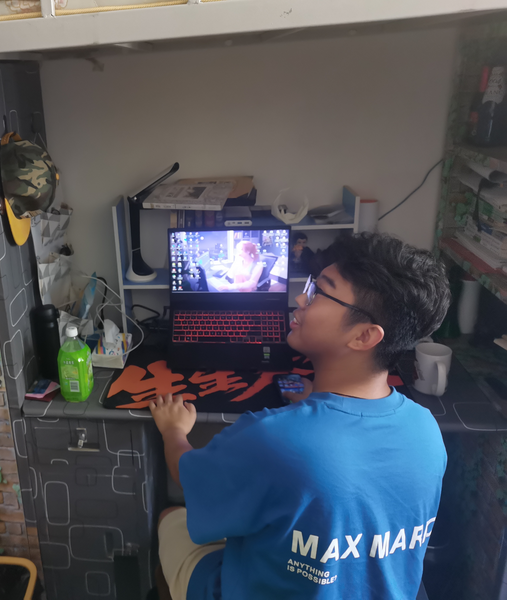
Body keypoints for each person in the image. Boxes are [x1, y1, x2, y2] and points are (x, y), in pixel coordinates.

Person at [150, 233, 450, 600]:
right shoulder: (427, 429)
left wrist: (174, 431)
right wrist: (318, 400)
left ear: (364, 336)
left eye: (319, 291)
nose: (300, 298)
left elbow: (187, 476)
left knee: (169, 517)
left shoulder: (274, 437)